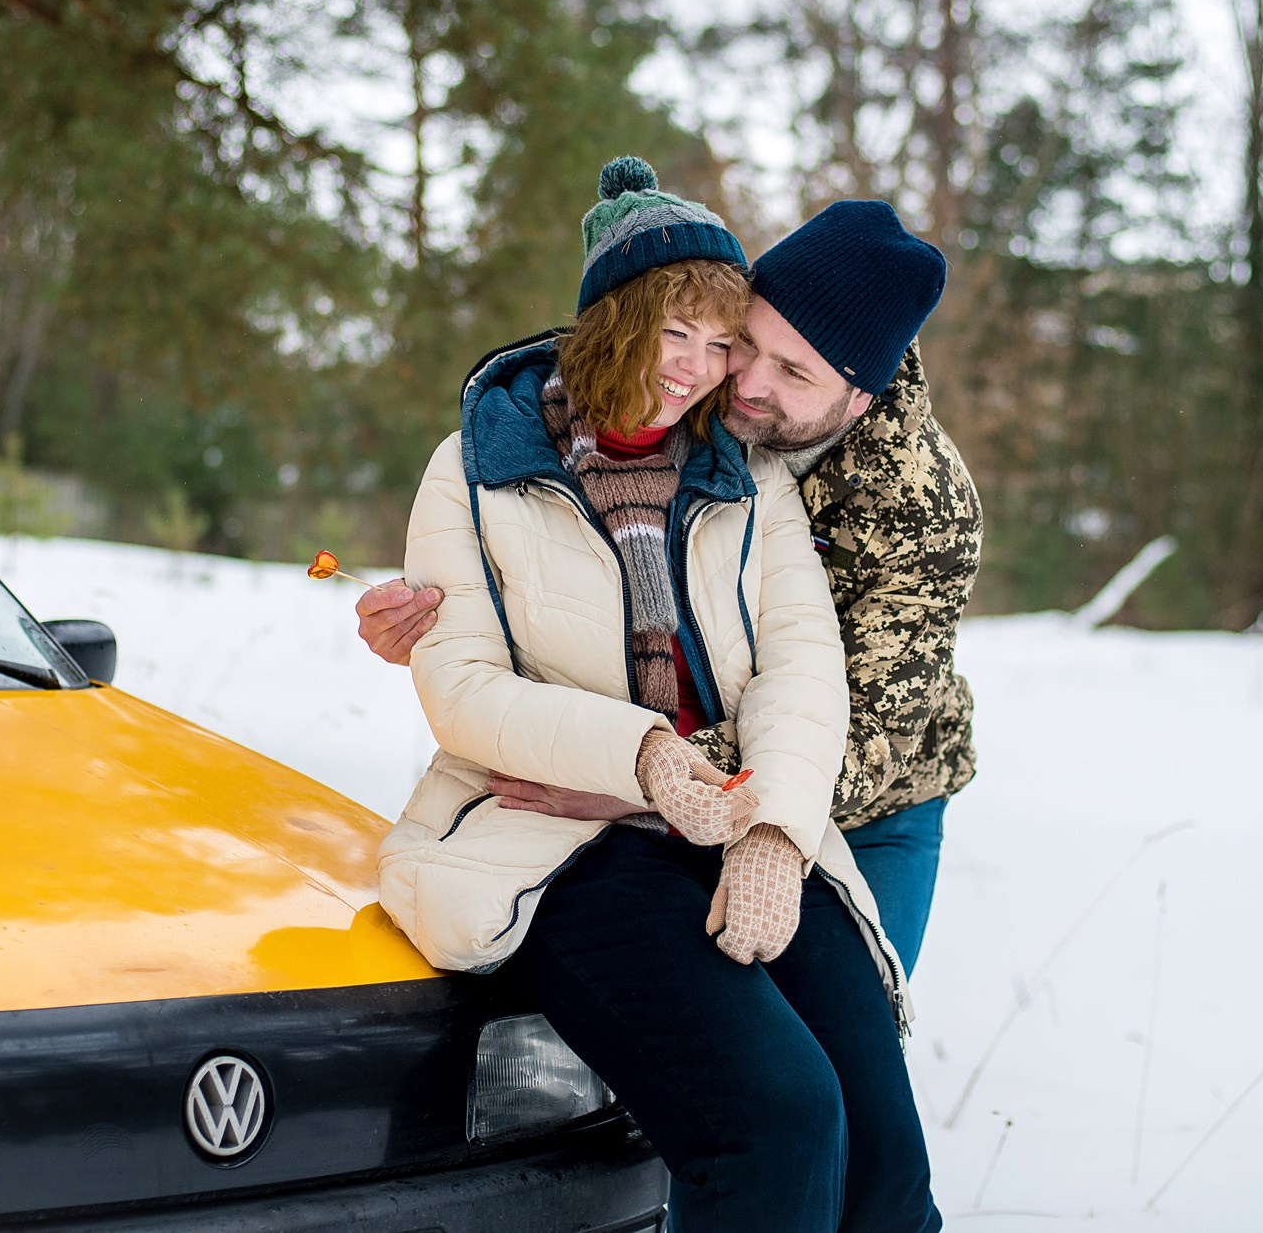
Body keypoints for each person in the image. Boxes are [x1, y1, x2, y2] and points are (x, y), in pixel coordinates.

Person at [375, 157, 941, 1231]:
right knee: (777, 1117)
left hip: (738, 817)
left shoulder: (744, 472)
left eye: (719, 340)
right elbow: (460, 687)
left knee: (883, 1157)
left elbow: (802, 667)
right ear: (607, 323)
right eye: (671, 333)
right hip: (565, 841)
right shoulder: (474, 467)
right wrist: (642, 757)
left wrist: (773, 827)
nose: (697, 369)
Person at [360, 198, 982, 978]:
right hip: (684, 770)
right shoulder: (702, 383)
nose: (745, 381)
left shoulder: (923, 506)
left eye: (791, 374)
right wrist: (447, 615)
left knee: (845, 1019)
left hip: (871, 792)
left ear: (858, 398)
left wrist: (646, 782)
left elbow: (863, 725)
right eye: (743, 342)